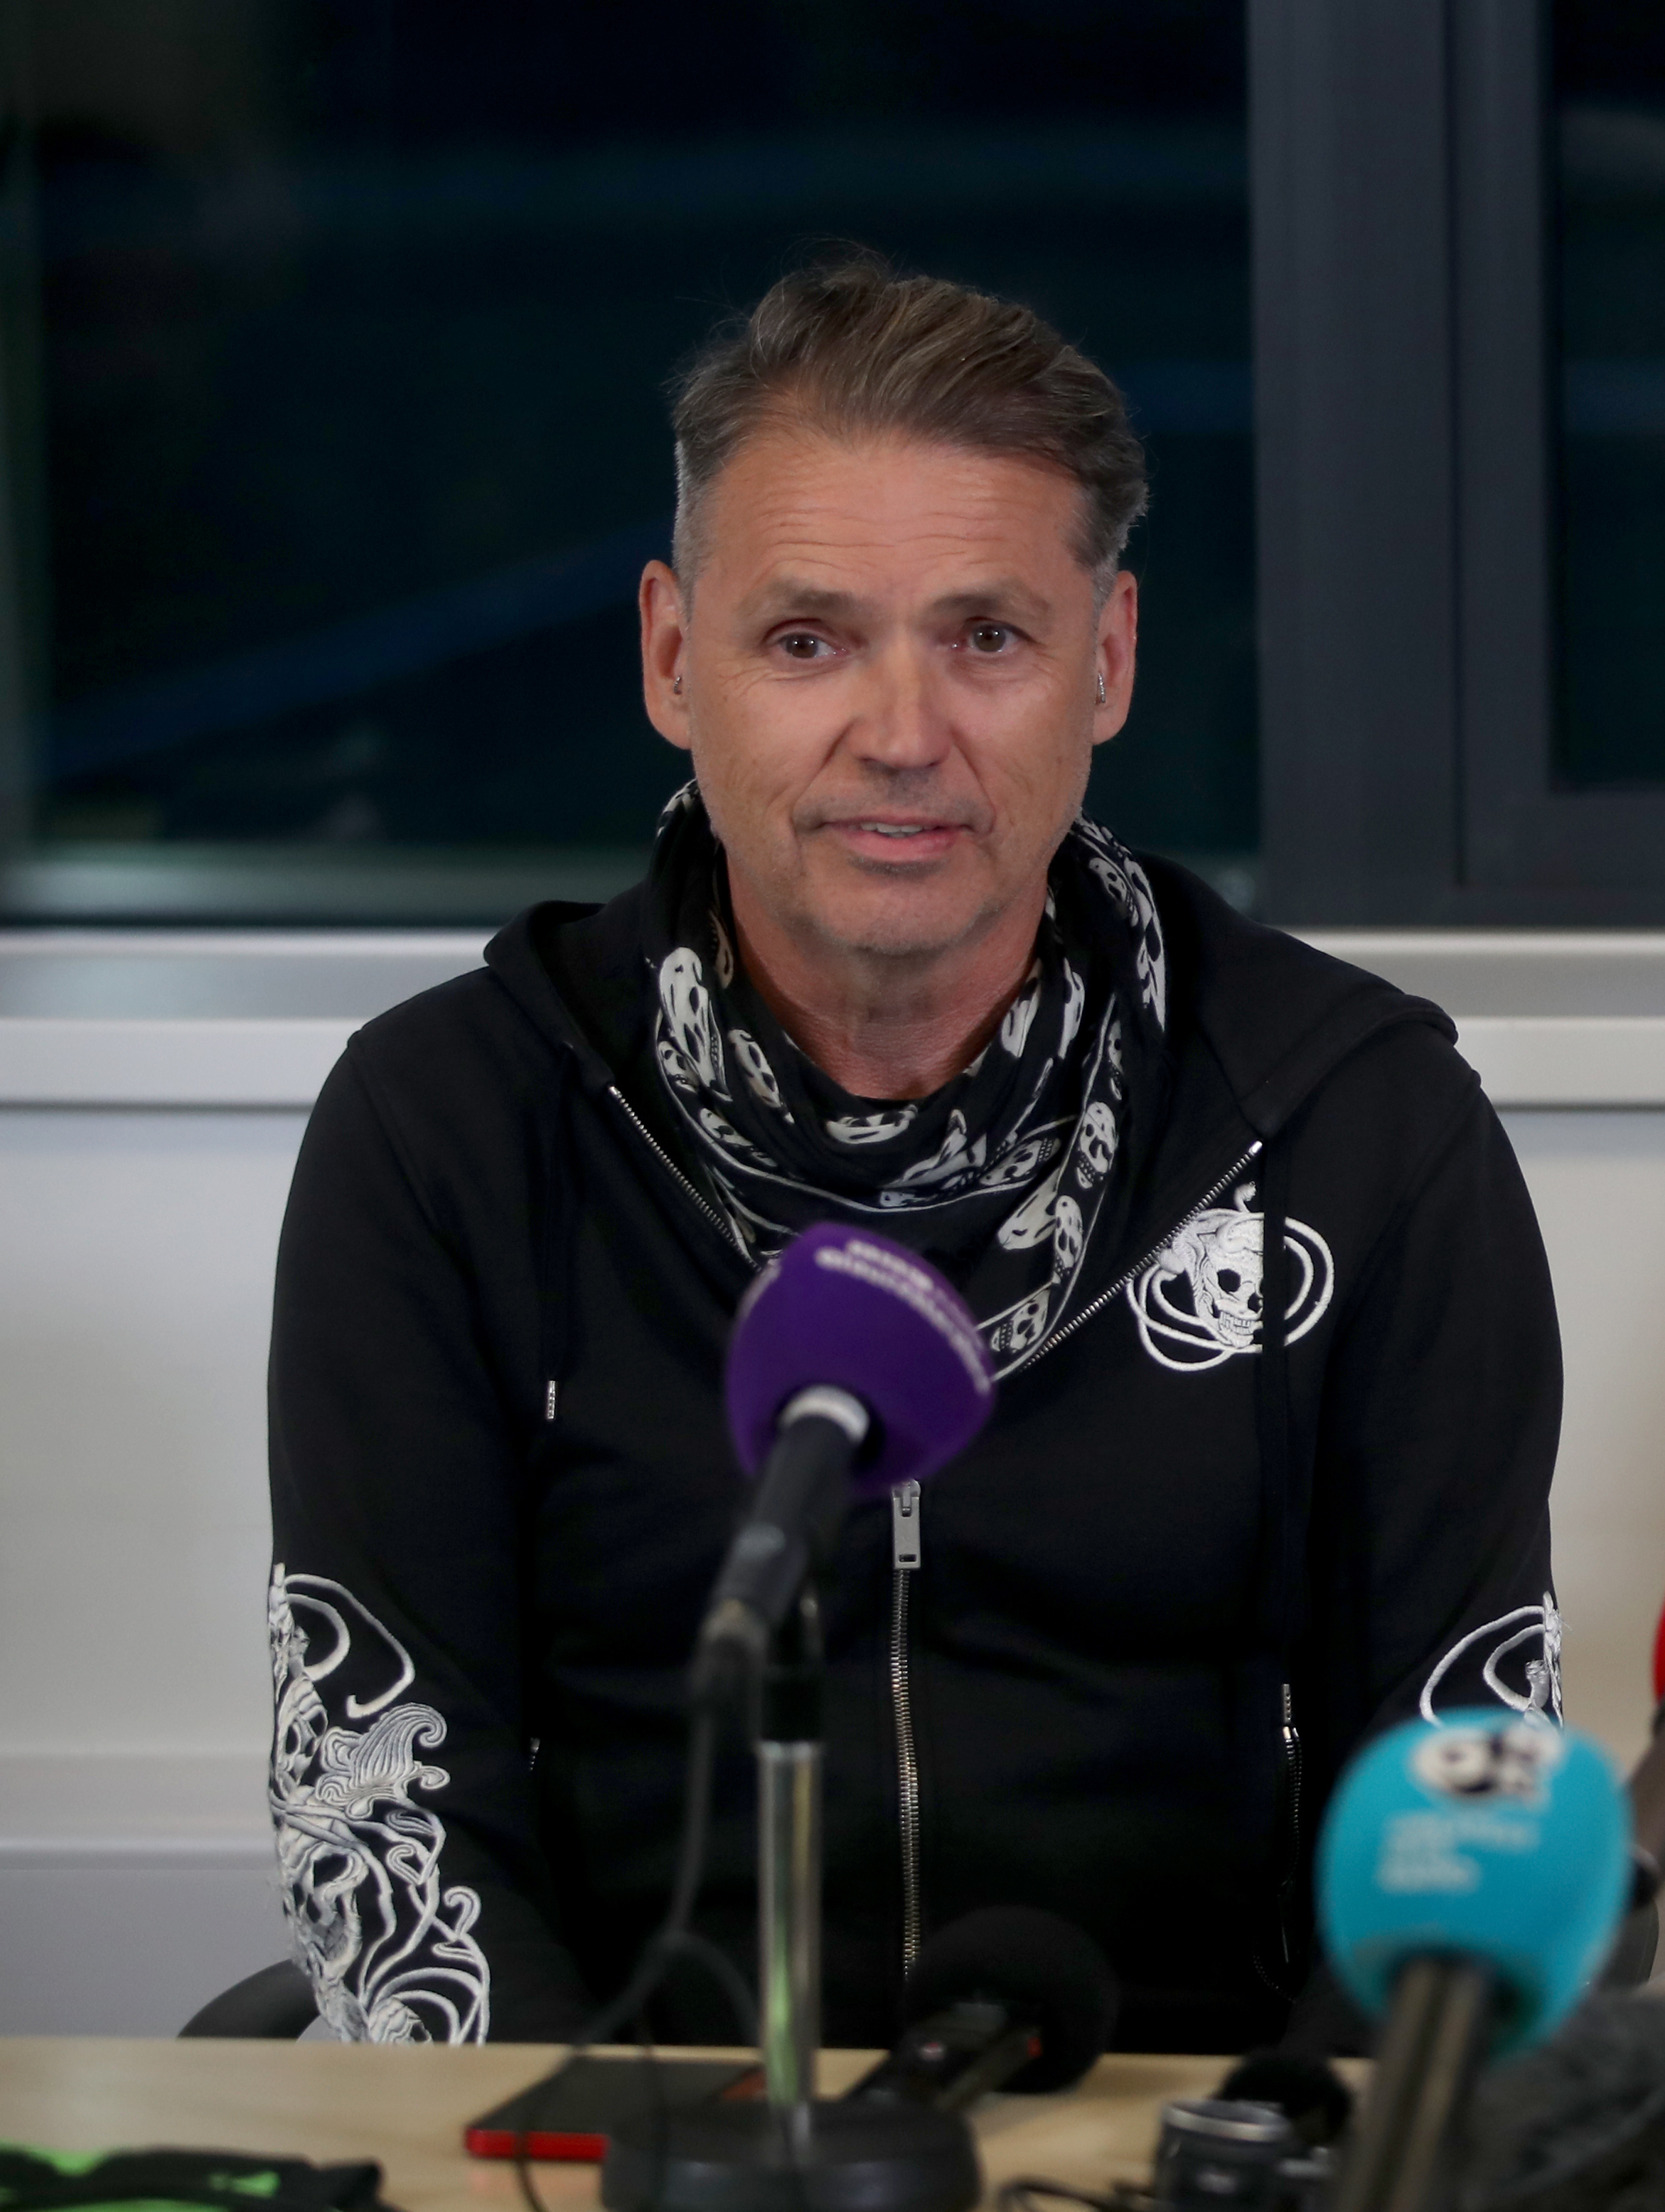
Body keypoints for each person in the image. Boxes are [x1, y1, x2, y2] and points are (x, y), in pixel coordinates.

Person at [262, 254, 1563, 2053]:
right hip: (627, 2151)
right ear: (669, 656)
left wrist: (1285, 2187)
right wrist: (569, 2182)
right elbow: (386, 1790)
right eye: (807, 640)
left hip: (1198, 2155)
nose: (900, 735)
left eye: (986, 637)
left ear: (1104, 661)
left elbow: (1464, 1784)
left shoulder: (1357, 1125)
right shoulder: (450, 1128)